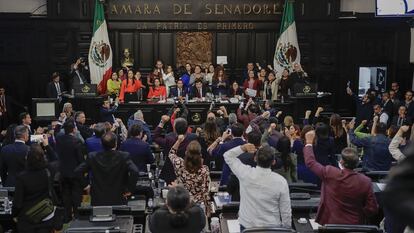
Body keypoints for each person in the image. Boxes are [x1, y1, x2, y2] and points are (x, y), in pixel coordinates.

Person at [303, 130, 378, 224]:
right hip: (355, 225)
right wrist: (359, 214)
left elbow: (310, 163)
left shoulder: (330, 172)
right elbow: (372, 209)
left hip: (331, 223)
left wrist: (309, 143)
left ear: (341, 162)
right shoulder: (366, 181)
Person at [224, 143, 291, 231]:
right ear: (273, 162)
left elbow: (227, 156)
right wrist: (286, 229)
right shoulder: (281, 181)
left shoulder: (245, 173)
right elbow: (285, 210)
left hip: (248, 227)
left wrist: (243, 148)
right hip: (272, 227)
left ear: (255, 158)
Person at [75, 131, 138, 206]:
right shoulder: (124, 156)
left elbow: (78, 171)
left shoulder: (92, 156)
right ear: (116, 144)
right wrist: (130, 189)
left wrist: (86, 185)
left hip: (98, 198)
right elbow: (135, 171)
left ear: (101, 144)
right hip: (118, 197)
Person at [12, 144, 57, 233]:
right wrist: (47, 145)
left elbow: (18, 202)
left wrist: (14, 214)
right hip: (46, 214)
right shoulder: (48, 171)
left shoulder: (22, 177)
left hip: (27, 218)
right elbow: (55, 159)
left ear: (27, 159)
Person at [169, 136, 210, 211]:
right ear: (200, 155)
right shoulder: (204, 170)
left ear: (186, 152)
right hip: (197, 206)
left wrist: (178, 141)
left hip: (182, 201)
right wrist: (208, 210)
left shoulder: (179, 163)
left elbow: (171, 153)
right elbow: (205, 192)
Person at [154, 117, 198, 184]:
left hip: (171, 173)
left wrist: (162, 122)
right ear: (187, 129)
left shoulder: (169, 138)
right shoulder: (193, 138)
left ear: (174, 129)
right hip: (188, 171)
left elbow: (156, 137)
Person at [55, 120, 84, 222]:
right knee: (76, 195)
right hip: (75, 173)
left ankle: (67, 216)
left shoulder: (59, 139)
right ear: (74, 129)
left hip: (63, 172)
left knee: (65, 195)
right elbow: (80, 159)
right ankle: (77, 215)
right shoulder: (77, 141)